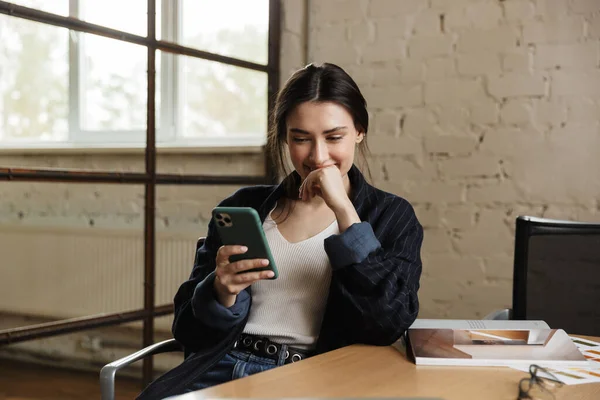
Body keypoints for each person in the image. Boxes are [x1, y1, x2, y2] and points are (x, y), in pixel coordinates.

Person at [138, 62, 424, 399]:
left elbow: (387, 323)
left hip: (314, 378)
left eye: (334, 137)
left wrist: (345, 212)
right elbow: (186, 329)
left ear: (359, 131)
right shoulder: (246, 206)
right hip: (220, 372)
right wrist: (220, 292)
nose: (318, 157)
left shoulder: (391, 215)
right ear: (285, 139)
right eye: (301, 139)